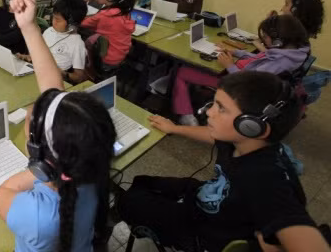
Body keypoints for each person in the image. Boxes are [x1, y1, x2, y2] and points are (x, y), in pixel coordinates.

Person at [119, 71, 329, 252]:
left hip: (201, 232)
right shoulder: (242, 140)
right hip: (206, 201)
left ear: (251, 126)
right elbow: (213, 136)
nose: (208, 112)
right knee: (141, 181)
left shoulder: (265, 179)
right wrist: (175, 128)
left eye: (221, 108)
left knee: (128, 200)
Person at [0, 0, 116, 252]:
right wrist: (28, 26)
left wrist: (38, 171)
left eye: (31, 118)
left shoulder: (38, 216)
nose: (30, 110)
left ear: (40, 156)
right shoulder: (89, 168)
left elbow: (2, 194)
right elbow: (52, 86)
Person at [173, 15, 310, 126]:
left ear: (277, 41)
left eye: (265, 37)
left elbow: (249, 83)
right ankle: (195, 95)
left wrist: (229, 66)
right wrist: (236, 52)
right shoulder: (290, 53)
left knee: (182, 72)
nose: (263, 41)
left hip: (237, 83)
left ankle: (186, 116)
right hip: (241, 75)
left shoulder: (279, 63)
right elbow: (260, 57)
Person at [17, 0, 88, 84]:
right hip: (37, 73)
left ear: (71, 24)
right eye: (53, 17)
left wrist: (62, 73)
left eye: (57, 20)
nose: (53, 21)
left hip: (55, 81)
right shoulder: (49, 31)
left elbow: (79, 77)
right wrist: (27, 57)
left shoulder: (77, 44)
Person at [81, 0, 136, 68]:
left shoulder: (105, 15)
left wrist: (83, 0)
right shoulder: (123, 12)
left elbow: (80, 22)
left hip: (105, 61)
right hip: (119, 57)